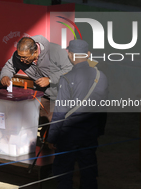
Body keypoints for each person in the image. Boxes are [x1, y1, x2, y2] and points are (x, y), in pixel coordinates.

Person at [46, 39, 108, 189]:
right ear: (88, 54)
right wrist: (99, 130)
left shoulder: (67, 78)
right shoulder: (101, 77)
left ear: (70, 54)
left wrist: (53, 137)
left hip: (69, 133)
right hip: (90, 132)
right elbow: (103, 109)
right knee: (88, 170)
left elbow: (60, 112)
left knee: (64, 172)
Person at [0, 35, 73, 123]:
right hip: (44, 95)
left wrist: (50, 79)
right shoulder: (19, 57)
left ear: (35, 52)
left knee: (54, 122)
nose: (22, 60)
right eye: (20, 57)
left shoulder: (55, 50)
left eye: (25, 57)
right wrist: (5, 76)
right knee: (26, 117)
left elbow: (70, 69)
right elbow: (9, 67)